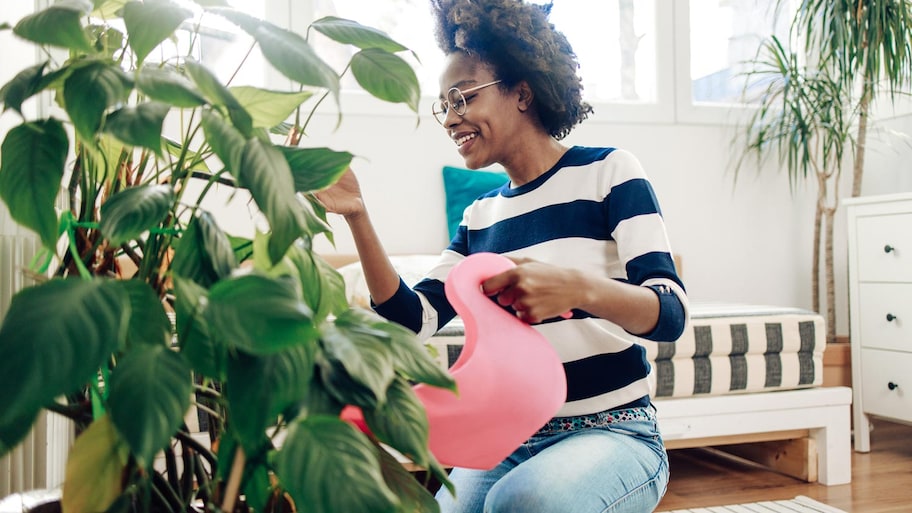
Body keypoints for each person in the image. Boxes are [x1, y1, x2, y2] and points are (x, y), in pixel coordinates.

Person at [315, 1, 688, 511]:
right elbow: (412, 320)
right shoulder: (479, 217)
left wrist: (578, 288)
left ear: (522, 93)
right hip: (507, 435)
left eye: (463, 98)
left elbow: (670, 311)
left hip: (617, 432)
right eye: (443, 105)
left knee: (523, 502)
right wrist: (358, 215)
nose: (451, 118)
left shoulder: (610, 173)